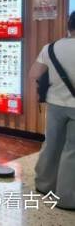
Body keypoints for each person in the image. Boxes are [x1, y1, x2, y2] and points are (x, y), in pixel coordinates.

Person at [28, 11, 75, 210]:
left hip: (55, 103)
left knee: (52, 143)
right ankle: (66, 198)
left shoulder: (51, 48)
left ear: (69, 25)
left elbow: (34, 74)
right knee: (72, 150)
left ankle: (44, 184)